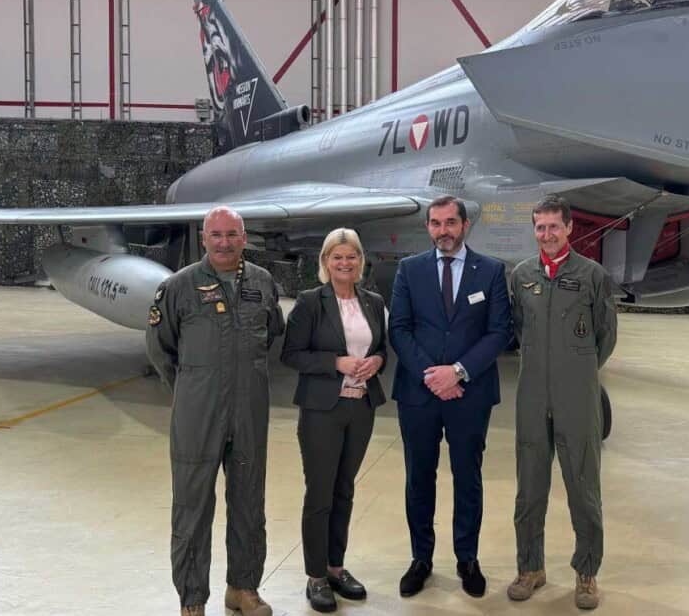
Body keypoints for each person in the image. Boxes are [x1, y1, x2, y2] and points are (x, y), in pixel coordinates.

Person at [146, 206, 284, 616]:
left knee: (249, 501)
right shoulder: (179, 286)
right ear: (204, 239)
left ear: (244, 238)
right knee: (192, 506)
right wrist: (193, 387)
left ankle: (242, 588)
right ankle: (192, 599)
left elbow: (272, 332)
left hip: (249, 411)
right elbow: (160, 348)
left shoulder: (262, 282)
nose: (224, 242)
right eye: (216, 235)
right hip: (197, 413)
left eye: (232, 235)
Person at [388, 194, 512, 599]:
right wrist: (433, 375)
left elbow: (499, 332)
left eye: (450, 223)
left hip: (469, 394)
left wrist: (458, 372)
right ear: (428, 228)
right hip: (419, 395)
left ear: (465, 225)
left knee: (468, 478)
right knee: (418, 478)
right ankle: (420, 558)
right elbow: (400, 330)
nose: (443, 231)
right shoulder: (409, 269)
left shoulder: (491, 271)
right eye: (436, 224)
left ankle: (467, 559)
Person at [506, 195, 617, 610]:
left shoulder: (593, 276)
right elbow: (519, 328)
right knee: (529, 489)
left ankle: (586, 573)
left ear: (570, 228)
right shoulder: (521, 276)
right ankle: (530, 568)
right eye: (540, 227)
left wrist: (577, 370)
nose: (547, 235)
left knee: (584, 487)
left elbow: (606, 336)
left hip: (577, 396)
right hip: (532, 395)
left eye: (554, 227)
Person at [280, 228, 388, 613]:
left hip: (360, 408)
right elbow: (291, 354)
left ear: (361, 261)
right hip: (322, 411)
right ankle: (315, 576)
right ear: (325, 262)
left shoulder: (373, 302)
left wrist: (376, 361)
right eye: (337, 257)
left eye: (352, 257)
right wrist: (335, 363)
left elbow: (380, 349)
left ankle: (336, 567)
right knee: (320, 494)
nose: (345, 263)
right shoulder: (311, 302)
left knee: (345, 490)